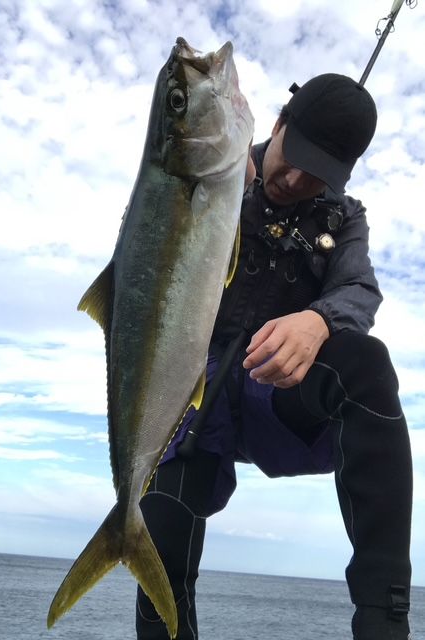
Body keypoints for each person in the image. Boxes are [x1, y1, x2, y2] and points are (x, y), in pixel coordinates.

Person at [135, 74, 413, 640]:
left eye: (319, 174)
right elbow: (146, 257)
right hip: (193, 396)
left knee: (367, 365)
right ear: (278, 123)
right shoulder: (212, 175)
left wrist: (319, 320)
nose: (295, 180)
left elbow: (359, 289)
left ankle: (384, 623)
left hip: (275, 394)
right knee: (163, 546)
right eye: (294, 158)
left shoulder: (344, 217)